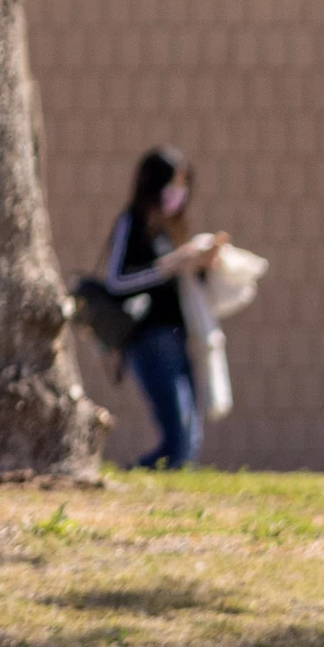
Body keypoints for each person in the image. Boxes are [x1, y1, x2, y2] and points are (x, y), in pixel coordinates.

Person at [96, 146, 220, 469]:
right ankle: (138, 477)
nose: (179, 193)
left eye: (183, 185)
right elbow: (116, 280)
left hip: (176, 336)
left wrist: (202, 264)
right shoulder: (132, 222)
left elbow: (181, 281)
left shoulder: (170, 227)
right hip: (148, 339)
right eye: (172, 184)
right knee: (179, 437)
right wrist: (168, 265)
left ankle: (161, 486)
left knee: (189, 436)